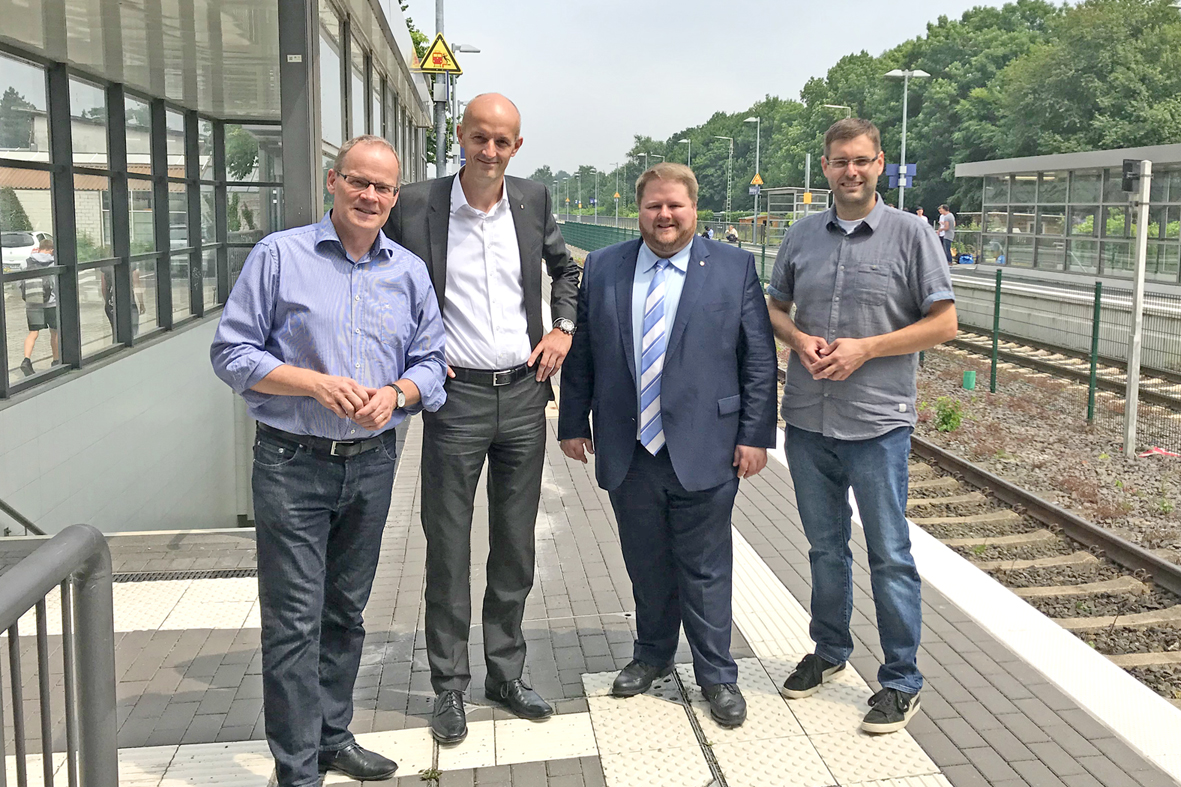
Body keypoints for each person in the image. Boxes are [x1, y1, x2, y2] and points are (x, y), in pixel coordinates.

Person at [211, 135, 448, 787]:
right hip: (292, 461)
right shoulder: (278, 257)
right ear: (331, 181)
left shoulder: (408, 271)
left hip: (372, 462)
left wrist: (397, 393)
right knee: (293, 617)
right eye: (358, 182)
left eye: (383, 188)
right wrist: (311, 383)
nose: (370, 196)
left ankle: (331, 737)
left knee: (344, 612)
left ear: (395, 197)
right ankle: (296, 769)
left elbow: (433, 365)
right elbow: (231, 353)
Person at [383, 93, 580, 744]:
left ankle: (504, 672)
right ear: (460, 136)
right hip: (455, 398)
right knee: (447, 546)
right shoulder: (416, 205)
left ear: (516, 147)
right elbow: (374, 274)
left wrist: (563, 328)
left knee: (514, 545)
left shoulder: (533, 199)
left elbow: (566, 272)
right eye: (479, 137)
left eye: (502, 141)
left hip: (524, 393)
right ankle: (447, 687)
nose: (489, 151)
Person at [558, 163, 777, 728]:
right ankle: (651, 656)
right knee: (646, 563)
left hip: (708, 444)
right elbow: (583, 352)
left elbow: (757, 358)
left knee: (704, 567)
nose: (664, 216)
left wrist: (756, 435)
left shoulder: (733, 267)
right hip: (630, 447)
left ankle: (717, 676)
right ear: (640, 209)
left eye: (675, 206)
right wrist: (572, 422)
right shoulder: (604, 266)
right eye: (654, 205)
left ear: (693, 209)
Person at [766, 118, 957, 735]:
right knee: (824, 548)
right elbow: (773, 306)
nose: (851, 171)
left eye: (862, 161)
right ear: (824, 167)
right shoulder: (800, 236)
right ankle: (829, 652)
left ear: (881, 164)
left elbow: (944, 324)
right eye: (839, 161)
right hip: (808, 420)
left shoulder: (913, 235)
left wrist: (865, 349)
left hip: (878, 424)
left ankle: (902, 680)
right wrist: (796, 339)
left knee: (889, 553)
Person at [20, 236, 59, 376]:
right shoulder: (54, 262)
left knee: (33, 333)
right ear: (50, 249)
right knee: (54, 332)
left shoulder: (26, 262)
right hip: (51, 303)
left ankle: (26, 360)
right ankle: (56, 360)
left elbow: (19, 283)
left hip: (32, 303)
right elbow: (55, 285)